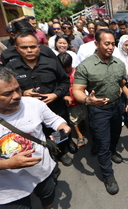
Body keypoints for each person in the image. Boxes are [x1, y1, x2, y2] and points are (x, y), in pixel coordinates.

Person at [72, 29, 128, 195]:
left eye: (113, 44)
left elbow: (124, 84)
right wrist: (87, 100)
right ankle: (108, 175)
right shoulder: (86, 66)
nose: (110, 47)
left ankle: (113, 152)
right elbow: (77, 90)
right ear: (97, 44)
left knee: (115, 136)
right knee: (103, 143)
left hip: (116, 108)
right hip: (98, 110)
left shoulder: (119, 63)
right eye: (106, 43)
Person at [0, 67, 71, 209]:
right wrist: (8, 164)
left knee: (48, 198)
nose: (16, 96)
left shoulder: (33, 104)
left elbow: (59, 123)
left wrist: (62, 132)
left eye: (18, 89)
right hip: (9, 191)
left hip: (43, 173)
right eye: (7, 93)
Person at [5, 32, 75, 166]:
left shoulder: (51, 63)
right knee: (38, 135)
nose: (29, 50)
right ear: (17, 48)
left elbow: (65, 81)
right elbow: (6, 90)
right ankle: (48, 154)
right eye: (24, 47)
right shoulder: (11, 69)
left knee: (60, 132)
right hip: (28, 112)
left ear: (39, 47)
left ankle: (61, 152)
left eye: (32, 46)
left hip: (55, 108)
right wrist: (24, 93)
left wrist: (55, 95)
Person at [58, 52, 87, 147]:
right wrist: (64, 97)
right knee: (74, 119)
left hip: (81, 99)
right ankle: (79, 135)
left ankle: (82, 126)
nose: (67, 69)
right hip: (70, 102)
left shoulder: (77, 71)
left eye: (68, 66)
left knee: (84, 115)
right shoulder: (58, 75)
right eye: (64, 67)